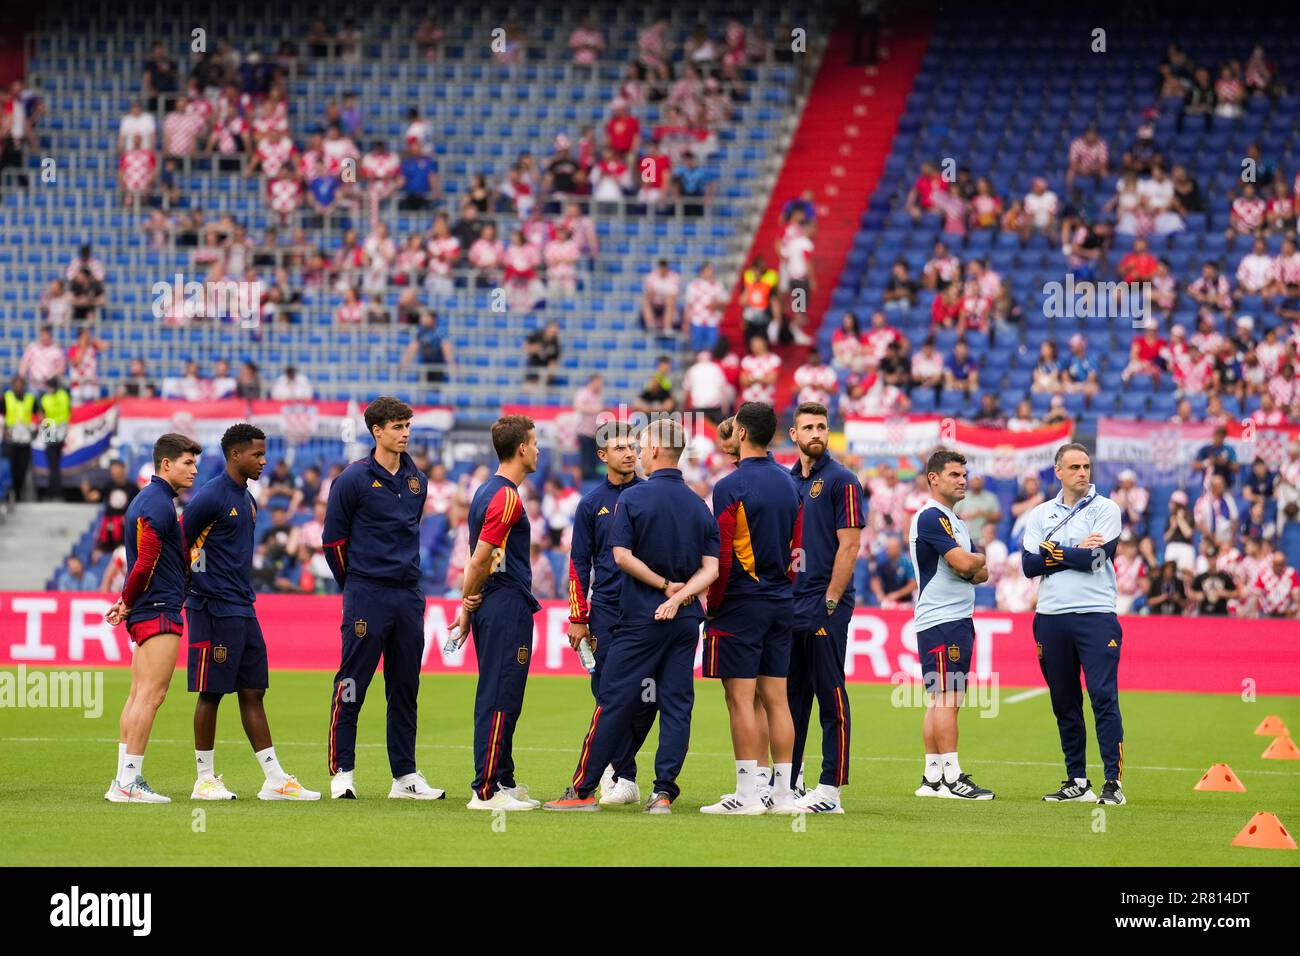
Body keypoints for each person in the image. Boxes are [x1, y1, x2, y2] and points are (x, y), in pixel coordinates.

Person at [546, 418, 720, 813]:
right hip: (685, 621)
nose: (635, 453)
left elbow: (621, 557)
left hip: (638, 618)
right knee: (676, 704)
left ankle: (586, 789)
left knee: (614, 700)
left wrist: (663, 588)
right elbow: (711, 570)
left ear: (656, 450)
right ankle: (662, 793)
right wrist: (681, 595)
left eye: (639, 447)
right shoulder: (698, 504)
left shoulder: (633, 501)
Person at [181, 424, 319, 801]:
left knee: (253, 689)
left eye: (264, 453)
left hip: (242, 607)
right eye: (256, 454)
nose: (263, 460)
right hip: (212, 608)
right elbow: (181, 544)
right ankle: (204, 780)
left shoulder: (249, 499)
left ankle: (274, 779)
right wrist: (192, 588)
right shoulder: (210, 497)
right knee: (211, 693)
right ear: (234, 455)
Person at [323, 397, 445, 800]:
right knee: (353, 683)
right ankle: (342, 771)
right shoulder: (353, 479)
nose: (405, 433)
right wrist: (356, 583)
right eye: (397, 426)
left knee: (405, 686)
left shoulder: (417, 481)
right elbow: (333, 542)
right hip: (366, 593)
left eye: (407, 425)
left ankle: (405, 776)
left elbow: (409, 531)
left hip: (408, 595)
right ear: (377, 432)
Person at [701, 402, 803, 815]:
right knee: (777, 698)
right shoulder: (789, 482)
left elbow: (723, 556)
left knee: (740, 698)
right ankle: (781, 795)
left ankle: (746, 795)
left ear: (741, 432)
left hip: (742, 601)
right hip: (781, 598)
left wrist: (714, 603)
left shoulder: (729, 486)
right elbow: (799, 551)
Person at [1020, 443, 1127, 806]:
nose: (1083, 472)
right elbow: (1029, 567)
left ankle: (1112, 782)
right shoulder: (1040, 514)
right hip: (1050, 616)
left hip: (1095, 614)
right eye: (1075, 467)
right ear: (1059, 472)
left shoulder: (1106, 508)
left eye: (1086, 466)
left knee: (1102, 696)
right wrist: (1074, 551)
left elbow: (1097, 557)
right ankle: (1077, 780)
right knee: (1064, 701)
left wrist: (1054, 552)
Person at [451, 415, 544, 811]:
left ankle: (503, 780)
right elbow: (479, 559)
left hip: (497, 599)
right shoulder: (507, 496)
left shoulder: (487, 490)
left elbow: (484, 561)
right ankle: (486, 789)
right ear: (521, 448)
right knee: (499, 693)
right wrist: (465, 604)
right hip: (505, 602)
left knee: (505, 691)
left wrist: (471, 603)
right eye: (535, 443)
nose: (539, 450)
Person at [103, 433, 202, 802]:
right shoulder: (158, 505)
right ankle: (130, 782)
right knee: (151, 695)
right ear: (166, 464)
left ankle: (121, 779)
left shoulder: (149, 501)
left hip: (148, 607)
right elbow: (145, 562)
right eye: (187, 463)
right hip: (158, 608)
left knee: (137, 695)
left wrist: (127, 602)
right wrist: (126, 601)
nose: (194, 470)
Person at [564, 423, 652, 804]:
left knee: (650, 697)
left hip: (648, 608)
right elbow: (578, 562)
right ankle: (624, 775)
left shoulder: (651, 495)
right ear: (602, 456)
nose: (629, 453)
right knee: (607, 691)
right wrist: (578, 616)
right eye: (620, 448)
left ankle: (619, 771)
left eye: (633, 446)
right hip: (605, 610)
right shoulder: (590, 503)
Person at [785, 403, 864, 812]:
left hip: (823, 604)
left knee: (830, 695)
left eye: (822, 426)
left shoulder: (843, 480)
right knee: (791, 697)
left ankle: (831, 789)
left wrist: (831, 598)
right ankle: (790, 781)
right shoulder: (786, 481)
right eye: (808, 427)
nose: (816, 432)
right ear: (793, 434)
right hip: (789, 605)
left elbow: (849, 544)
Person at [908, 448, 994, 800]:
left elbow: (980, 574)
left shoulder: (954, 521)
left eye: (964, 474)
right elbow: (963, 562)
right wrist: (974, 560)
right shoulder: (932, 518)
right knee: (948, 699)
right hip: (944, 619)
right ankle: (952, 778)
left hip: (948, 618)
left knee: (939, 700)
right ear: (934, 478)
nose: (964, 481)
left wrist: (973, 562)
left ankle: (932, 777)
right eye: (955, 475)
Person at [37, 376, 70, 502]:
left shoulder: (45, 398)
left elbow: (43, 416)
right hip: (60, 430)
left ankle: (54, 493)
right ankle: (56, 493)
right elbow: (68, 411)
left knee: (52, 466)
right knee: (55, 466)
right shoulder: (64, 395)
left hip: (50, 430)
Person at [3, 375, 35, 502]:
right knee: (11, 468)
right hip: (11, 440)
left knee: (22, 469)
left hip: (25, 439)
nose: (18, 387)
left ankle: (19, 494)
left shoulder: (30, 399)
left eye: (20, 384)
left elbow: (39, 416)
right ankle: (11, 495)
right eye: (16, 384)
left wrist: (35, 430)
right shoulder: (6, 398)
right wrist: (4, 431)